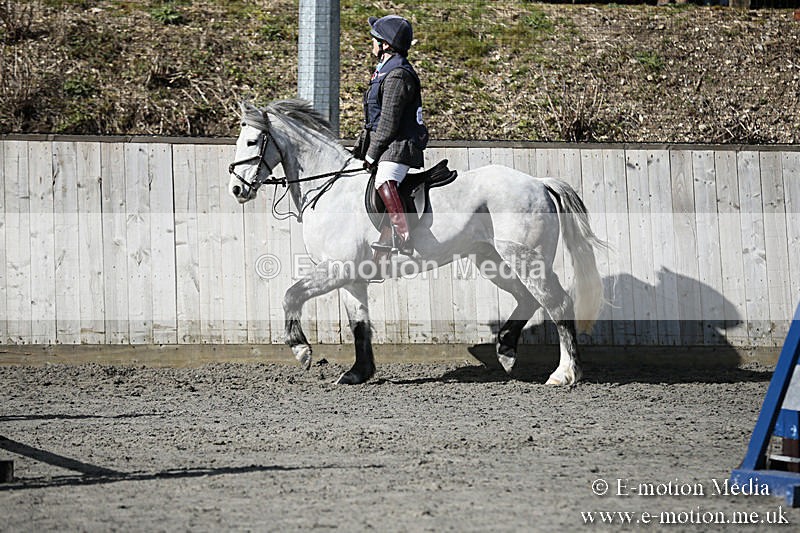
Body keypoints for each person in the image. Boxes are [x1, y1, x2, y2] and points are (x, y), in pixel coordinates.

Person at [354, 14, 429, 257]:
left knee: (383, 179)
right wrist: (358, 150)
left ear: (385, 44)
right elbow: (372, 121)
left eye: (374, 39)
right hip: (389, 143)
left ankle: (403, 236)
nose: (371, 42)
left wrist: (372, 155)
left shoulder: (397, 75)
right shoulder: (385, 71)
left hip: (400, 146)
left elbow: (388, 123)